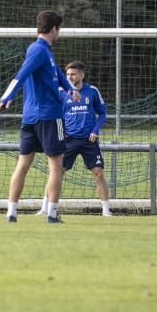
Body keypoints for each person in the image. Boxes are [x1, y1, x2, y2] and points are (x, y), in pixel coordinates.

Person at [0, 10, 79, 223]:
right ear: (54, 29)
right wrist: (6, 97)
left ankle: (11, 213)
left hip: (30, 118)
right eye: (59, 29)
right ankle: (51, 214)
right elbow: (21, 74)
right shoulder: (39, 51)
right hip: (49, 117)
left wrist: (71, 89)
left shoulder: (44, 52)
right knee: (56, 167)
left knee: (23, 165)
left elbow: (58, 74)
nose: (60, 33)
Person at [37, 61, 111, 217]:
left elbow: (102, 114)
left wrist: (95, 130)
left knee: (98, 173)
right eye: (68, 74)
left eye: (73, 74)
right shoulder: (62, 92)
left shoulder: (92, 91)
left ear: (82, 75)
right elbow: (56, 114)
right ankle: (44, 208)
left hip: (89, 140)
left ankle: (106, 210)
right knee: (56, 172)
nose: (70, 77)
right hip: (68, 140)